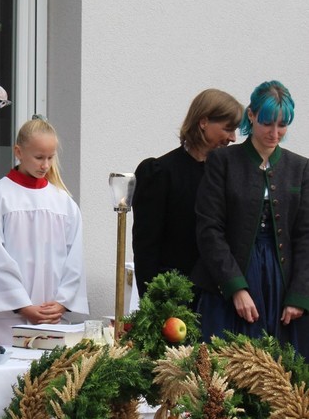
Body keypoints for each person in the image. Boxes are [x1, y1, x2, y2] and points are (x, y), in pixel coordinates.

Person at [192, 80, 309, 354]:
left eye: (282, 125)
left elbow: (305, 236)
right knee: (226, 365)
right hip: (233, 273)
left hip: (282, 281)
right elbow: (209, 228)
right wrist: (235, 288)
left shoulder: (300, 168)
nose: (275, 133)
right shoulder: (223, 161)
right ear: (252, 115)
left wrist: (299, 295)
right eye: (267, 123)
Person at [0, 116, 89, 346]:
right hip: (8, 318)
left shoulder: (64, 203)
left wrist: (62, 303)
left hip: (52, 317)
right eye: (38, 157)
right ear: (18, 151)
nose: (45, 165)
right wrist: (23, 306)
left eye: (50, 157)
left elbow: (74, 259)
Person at [132, 89, 243, 297]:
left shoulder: (227, 175)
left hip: (218, 297)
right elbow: (146, 246)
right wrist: (154, 300)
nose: (233, 138)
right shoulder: (160, 173)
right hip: (175, 296)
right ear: (204, 122)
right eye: (228, 129)